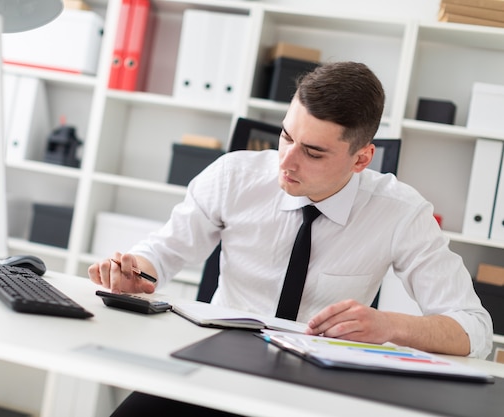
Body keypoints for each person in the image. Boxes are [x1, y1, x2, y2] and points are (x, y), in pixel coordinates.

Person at [88, 61, 493, 416]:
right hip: (214, 367)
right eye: (285, 136)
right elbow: (163, 251)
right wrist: (134, 273)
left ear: (362, 158)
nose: (285, 161)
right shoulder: (234, 176)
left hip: (319, 390)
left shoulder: (402, 212)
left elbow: (474, 330)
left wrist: (388, 325)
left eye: (313, 153)